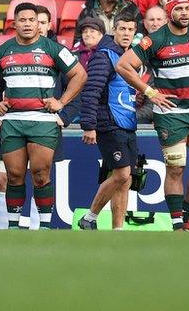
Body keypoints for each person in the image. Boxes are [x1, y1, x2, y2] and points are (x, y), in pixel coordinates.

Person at [116, 0, 189, 231]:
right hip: (170, 112)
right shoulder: (154, 40)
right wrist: (150, 92)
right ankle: (179, 223)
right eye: (179, 9)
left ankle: (187, 213)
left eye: (188, 8)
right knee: (176, 167)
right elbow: (123, 65)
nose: (184, 13)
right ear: (169, 13)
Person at [0, 2, 87, 229]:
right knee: (14, 176)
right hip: (13, 122)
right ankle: (14, 228)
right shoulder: (3, 51)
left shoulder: (53, 49)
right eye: (22, 20)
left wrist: (62, 102)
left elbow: (79, 74)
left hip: (43, 121)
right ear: (14, 23)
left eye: (31, 20)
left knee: (40, 174)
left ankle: (44, 227)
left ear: (39, 24)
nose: (27, 24)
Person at [78, 13, 138, 230]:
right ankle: (90, 217)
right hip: (109, 123)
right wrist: (89, 125)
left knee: (125, 178)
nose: (126, 34)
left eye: (131, 30)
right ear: (114, 29)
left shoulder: (129, 56)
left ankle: (118, 230)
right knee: (122, 173)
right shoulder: (104, 56)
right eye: (122, 29)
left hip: (127, 123)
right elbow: (91, 90)